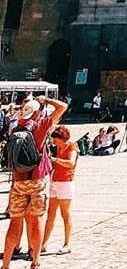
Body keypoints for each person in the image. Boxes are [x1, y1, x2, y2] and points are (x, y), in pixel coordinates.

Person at [2, 94, 68, 269]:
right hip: (37, 180)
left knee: (15, 221)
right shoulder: (40, 126)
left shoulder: (15, 128)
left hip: (18, 181)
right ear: (36, 113)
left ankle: (6, 264)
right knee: (36, 220)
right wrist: (45, 100)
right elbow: (62, 106)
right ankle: (35, 261)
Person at [40, 125, 77, 256]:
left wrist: (54, 160)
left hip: (66, 182)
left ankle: (67, 244)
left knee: (65, 213)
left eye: (55, 139)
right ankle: (44, 243)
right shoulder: (58, 148)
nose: (53, 141)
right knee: (51, 213)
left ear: (62, 138)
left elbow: (70, 163)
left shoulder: (72, 147)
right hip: (55, 181)